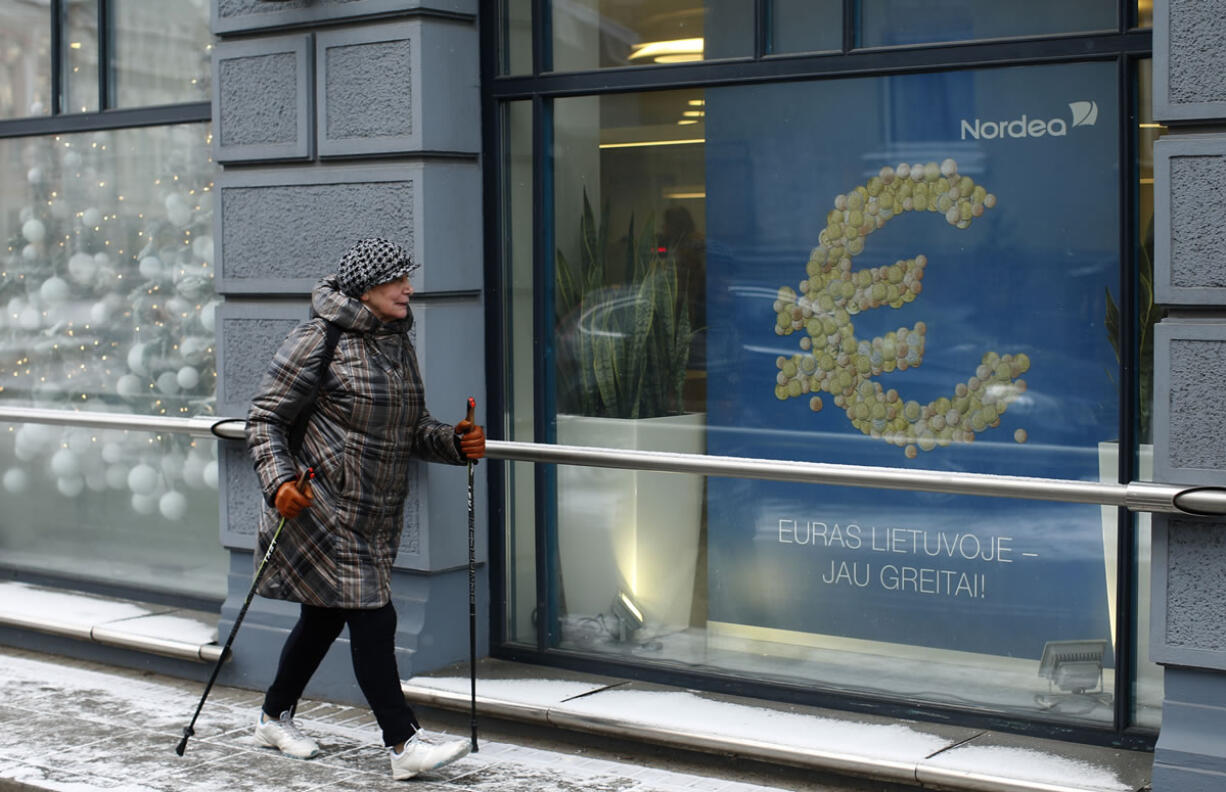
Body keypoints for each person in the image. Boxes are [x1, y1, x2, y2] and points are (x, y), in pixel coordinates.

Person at [245, 237, 485, 780]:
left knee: (323, 620)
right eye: (397, 279)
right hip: (320, 508)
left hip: (374, 513)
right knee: (375, 617)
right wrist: (279, 481)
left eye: (408, 277)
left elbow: (412, 428)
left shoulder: (396, 342)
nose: (409, 289)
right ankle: (403, 745)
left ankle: (271, 717)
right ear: (366, 288)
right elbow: (264, 419)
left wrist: (453, 441)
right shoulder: (317, 338)